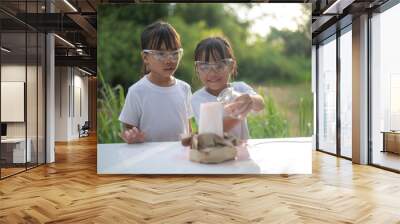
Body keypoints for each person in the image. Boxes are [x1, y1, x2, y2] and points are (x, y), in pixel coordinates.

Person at [119, 21, 192, 143]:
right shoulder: (137, 91)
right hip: (149, 158)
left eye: (175, 53)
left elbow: (189, 126)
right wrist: (132, 137)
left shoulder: (184, 88)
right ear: (145, 57)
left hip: (179, 156)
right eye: (161, 54)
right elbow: (128, 129)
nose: (169, 60)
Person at [191, 37, 265, 140]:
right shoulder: (197, 98)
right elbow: (212, 132)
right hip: (214, 153)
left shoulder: (240, 87)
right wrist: (237, 115)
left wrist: (251, 100)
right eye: (204, 67)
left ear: (231, 66)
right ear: (197, 69)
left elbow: (261, 104)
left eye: (220, 66)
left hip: (241, 150)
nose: (212, 73)